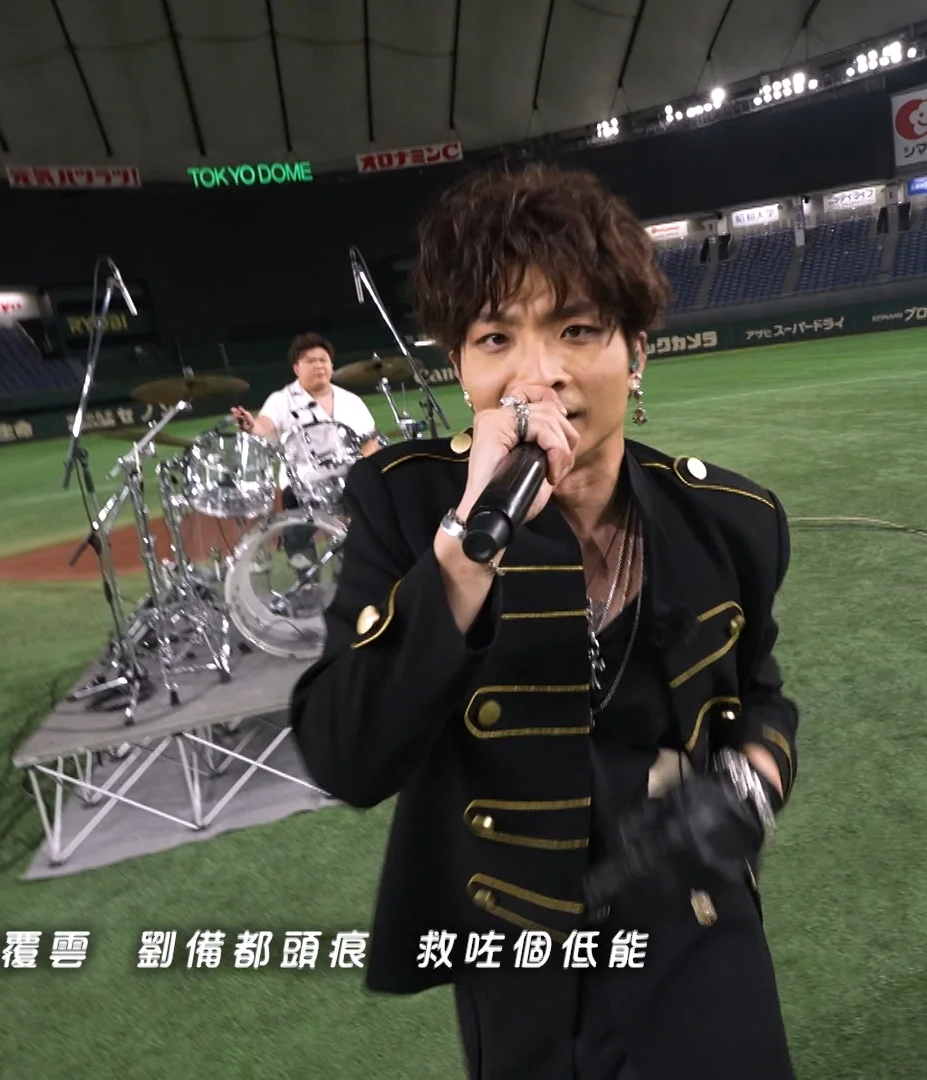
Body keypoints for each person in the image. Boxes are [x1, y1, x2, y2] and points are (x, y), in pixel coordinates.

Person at [289, 163, 800, 1079]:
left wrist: (758, 772)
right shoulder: (404, 507)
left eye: (578, 329)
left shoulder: (731, 521)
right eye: (496, 337)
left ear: (636, 354)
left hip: (694, 925)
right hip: (516, 958)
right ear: (461, 367)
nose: (538, 375)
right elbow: (345, 757)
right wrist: (465, 549)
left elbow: (761, 694)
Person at [232, 332, 383, 467]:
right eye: (311, 361)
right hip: (300, 484)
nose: (319, 365)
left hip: (350, 480)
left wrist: (361, 463)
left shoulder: (351, 400)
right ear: (297, 369)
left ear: (331, 366)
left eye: (323, 360)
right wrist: (252, 426)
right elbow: (265, 426)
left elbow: (372, 439)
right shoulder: (281, 400)